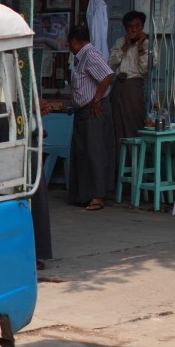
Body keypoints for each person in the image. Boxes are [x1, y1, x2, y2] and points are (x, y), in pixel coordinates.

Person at [67, 24, 116, 211]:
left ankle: (97, 196)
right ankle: (83, 194)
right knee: (83, 152)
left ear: (75, 42)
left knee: (95, 152)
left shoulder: (90, 54)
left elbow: (107, 75)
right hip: (82, 111)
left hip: (94, 110)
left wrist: (96, 99)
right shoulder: (80, 58)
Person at [109, 10, 150, 150]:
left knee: (133, 124)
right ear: (125, 28)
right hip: (118, 86)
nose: (133, 29)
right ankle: (118, 166)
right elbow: (110, 64)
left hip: (133, 88)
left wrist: (139, 48)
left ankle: (134, 165)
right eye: (130, 26)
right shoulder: (120, 42)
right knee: (116, 126)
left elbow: (145, 69)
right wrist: (125, 46)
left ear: (142, 26)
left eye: (137, 26)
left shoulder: (147, 44)